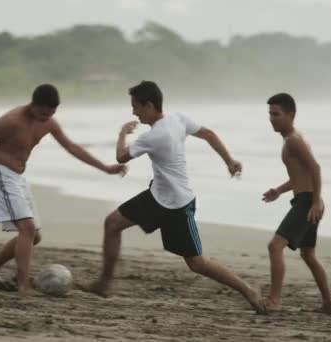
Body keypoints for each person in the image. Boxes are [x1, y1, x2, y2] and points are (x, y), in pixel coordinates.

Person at [83, 80, 266, 314]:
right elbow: (209, 134)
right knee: (112, 223)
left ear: (148, 105)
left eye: (136, 107)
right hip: (157, 196)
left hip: (178, 205)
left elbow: (120, 157)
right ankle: (104, 284)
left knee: (197, 264)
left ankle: (248, 290)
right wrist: (229, 161)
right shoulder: (177, 119)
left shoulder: (154, 136)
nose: (134, 112)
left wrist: (122, 133)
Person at [0, 84, 126, 295]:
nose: (47, 117)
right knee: (27, 228)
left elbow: (72, 147)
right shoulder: (11, 121)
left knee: (33, 236)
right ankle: (23, 285)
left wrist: (105, 168)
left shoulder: (49, 123)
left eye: (52, 113)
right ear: (33, 105)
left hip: (16, 177)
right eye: (43, 112)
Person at [261, 93, 331, 314]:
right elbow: (299, 176)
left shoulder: (294, 140)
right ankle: (328, 305)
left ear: (291, 115)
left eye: (277, 114)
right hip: (308, 200)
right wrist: (279, 191)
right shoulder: (290, 140)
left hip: (306, 203)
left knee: (275, 246)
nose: (272, 119)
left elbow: (316, 169)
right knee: (308, 254)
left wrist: (314, 203)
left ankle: (274, 301)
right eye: (270, 114)